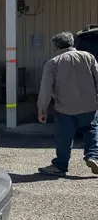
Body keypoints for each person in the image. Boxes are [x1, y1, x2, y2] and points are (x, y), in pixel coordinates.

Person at [37, 32, 98, 176]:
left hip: (65, 107)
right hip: (89, 105)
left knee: (64, 136)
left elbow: (45, 88)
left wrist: (42, 110)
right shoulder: (88, 57)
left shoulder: (53, 62)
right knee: (91, 130)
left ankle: (60, 165)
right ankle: (93, 157)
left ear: (56, 46)